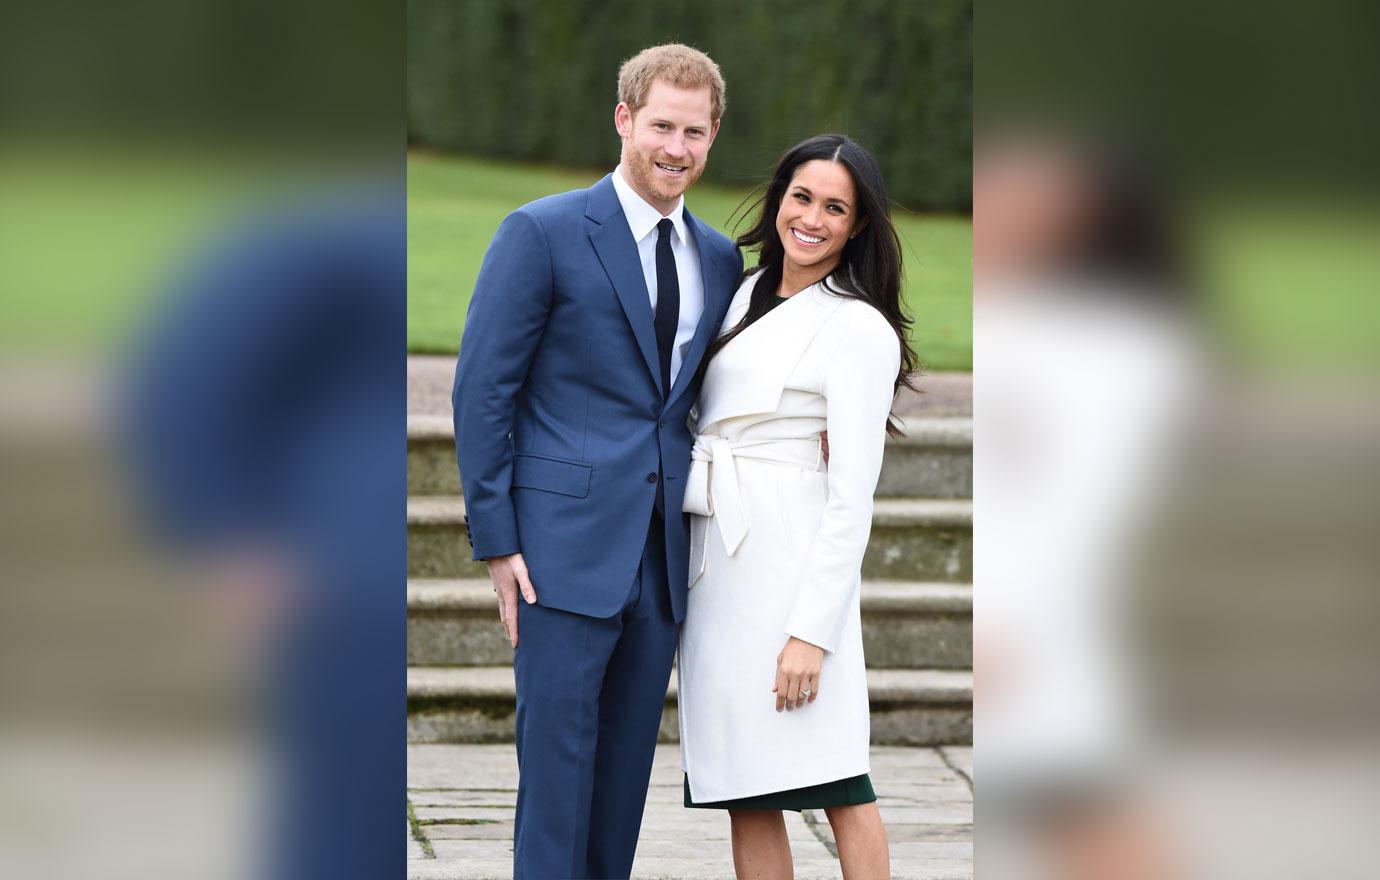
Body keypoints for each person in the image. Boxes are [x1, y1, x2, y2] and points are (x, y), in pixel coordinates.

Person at [451, 44, 741, 879]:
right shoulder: (541, 232)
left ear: (712, 135)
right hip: (558, 551)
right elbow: (482, 394)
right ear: (623, 119)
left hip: (660, 557)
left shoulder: (719, 259)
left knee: (621, 784)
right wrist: (497, 542)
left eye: (694, 131)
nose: (675, 148)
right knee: (556, 778)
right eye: (661, 126)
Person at [678, 134, 917, 879]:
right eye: (802, 196)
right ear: (780, 197)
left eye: (835, 207)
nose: (812, 218)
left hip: (793, 571)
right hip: (718, 564)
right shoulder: (738, 292)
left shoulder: (856, 325)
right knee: (744, 788)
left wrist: (810, 634)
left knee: (841, 782)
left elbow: (852, 497)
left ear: (858, 227)